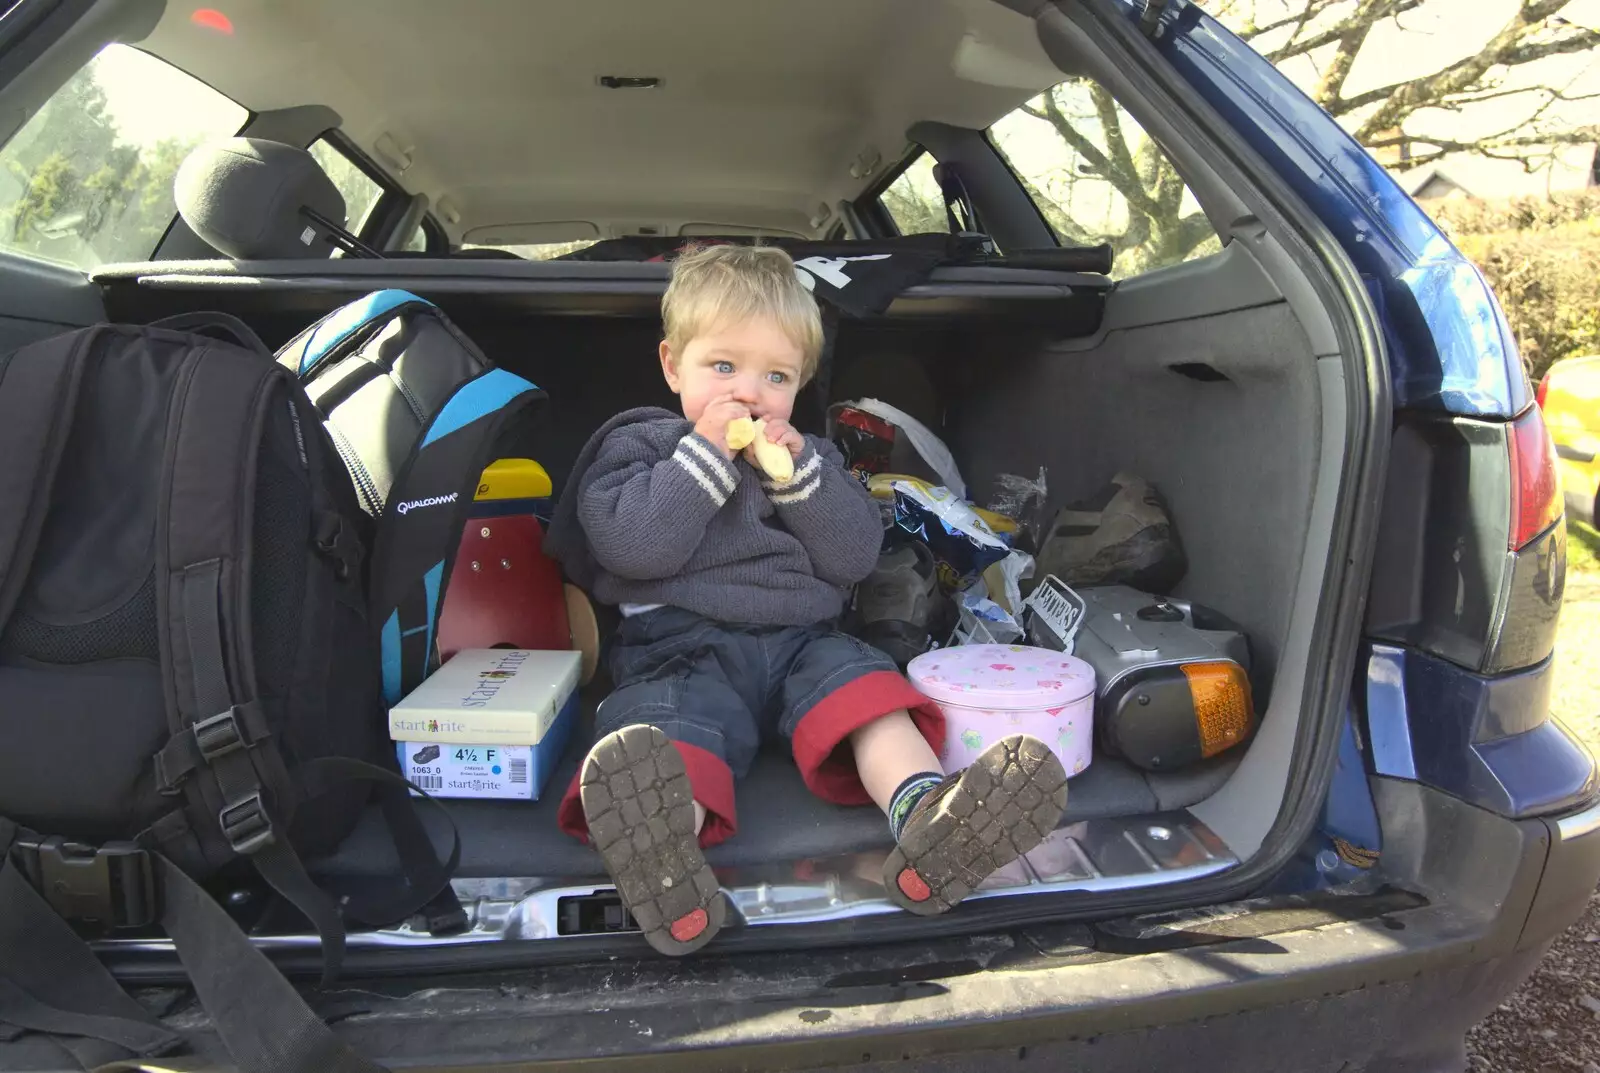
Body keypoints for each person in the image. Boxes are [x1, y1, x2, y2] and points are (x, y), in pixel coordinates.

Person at [545, 244, 1067, 955]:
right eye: (723, 367)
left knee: (869, 696)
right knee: (665, 734)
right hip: (680, 647)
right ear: (673, 365)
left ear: (801, 383)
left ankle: (929, 817)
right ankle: (666, 859)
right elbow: (636, 545)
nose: (750, 393)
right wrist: (703, 453)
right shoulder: (643, 445)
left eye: (776, 375)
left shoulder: (811, 458)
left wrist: (796, 479)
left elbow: (853, 555)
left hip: (802, 642)